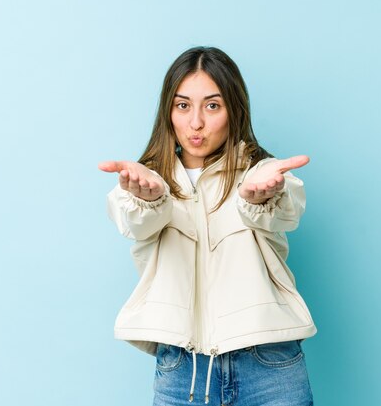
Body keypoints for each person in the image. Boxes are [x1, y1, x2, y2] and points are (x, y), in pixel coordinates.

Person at [98, 46, 317, 406]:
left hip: (269, 364)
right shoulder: (146, 181)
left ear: (234, 110)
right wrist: (151, 199)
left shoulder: (263, 173)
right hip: (184, 372)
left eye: (212, 105)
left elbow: (287, 211)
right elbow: (133, 221)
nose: (195, 122)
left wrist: (258, 197)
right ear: (168, 111)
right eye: (183, 105)